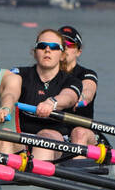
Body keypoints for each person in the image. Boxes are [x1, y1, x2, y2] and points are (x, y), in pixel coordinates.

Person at [6, 27, 85, 162]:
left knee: (44, 137)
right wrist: (6, 104)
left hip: (53, 139)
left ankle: (34, 179)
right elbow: (9, 91)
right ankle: (0, 178)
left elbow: (69, 97)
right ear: (35, 52)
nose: (47, 50)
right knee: (5, 134)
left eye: (54, 47)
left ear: (62, 55)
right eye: (42, 46)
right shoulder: (19, 73)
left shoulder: (72, 81)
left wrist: (52, 102)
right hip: (21, 139)